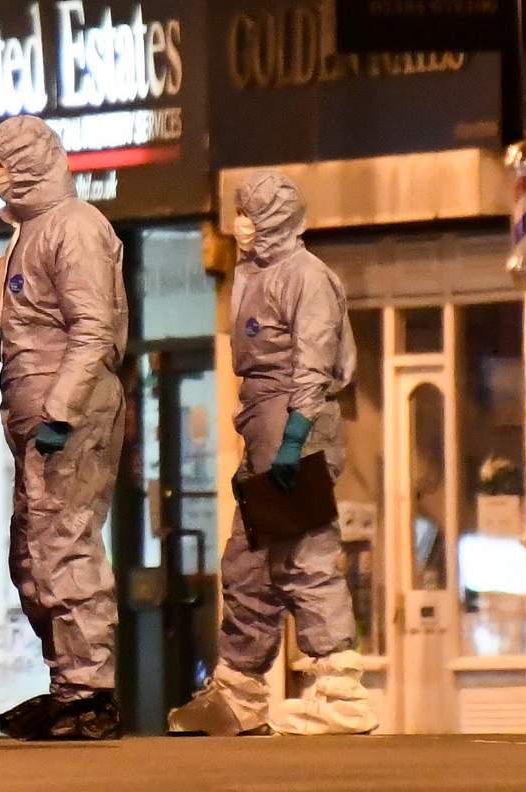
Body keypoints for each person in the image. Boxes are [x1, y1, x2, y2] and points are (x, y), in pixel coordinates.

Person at [167, 172, 378, 737]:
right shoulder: (256, 274)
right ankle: (238, 690)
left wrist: (292, 441)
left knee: (305, 555)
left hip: (296, 425)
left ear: (277, 218)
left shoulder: (308, 279)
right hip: (264, 426)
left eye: (251, 212)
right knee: (249, 562)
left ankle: (341, 688)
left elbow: (312, 364)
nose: (241, 222)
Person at [0, 115, 127, 741]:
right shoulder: (29, 232)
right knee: (33, 554)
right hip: (36, 417)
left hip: (67, 418)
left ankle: (90, 692)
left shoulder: (75, 228)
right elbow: (29, 324)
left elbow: (92, 330)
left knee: (66, 544)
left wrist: (62, 411)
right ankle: (69, 681)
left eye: (5, 162)